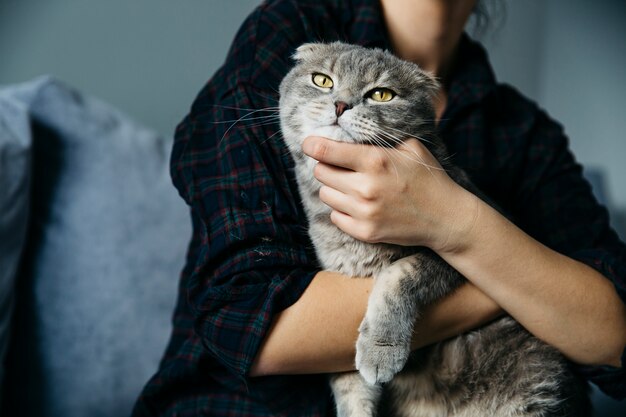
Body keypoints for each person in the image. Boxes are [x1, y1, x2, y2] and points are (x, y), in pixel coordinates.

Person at [133, 0, 626, 415]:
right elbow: (249, 325)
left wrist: (461, 225)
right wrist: (521, 277)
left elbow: (611, 333)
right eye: (328, 87)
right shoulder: (290, 31)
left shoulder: (521, 129)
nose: (341, 103)